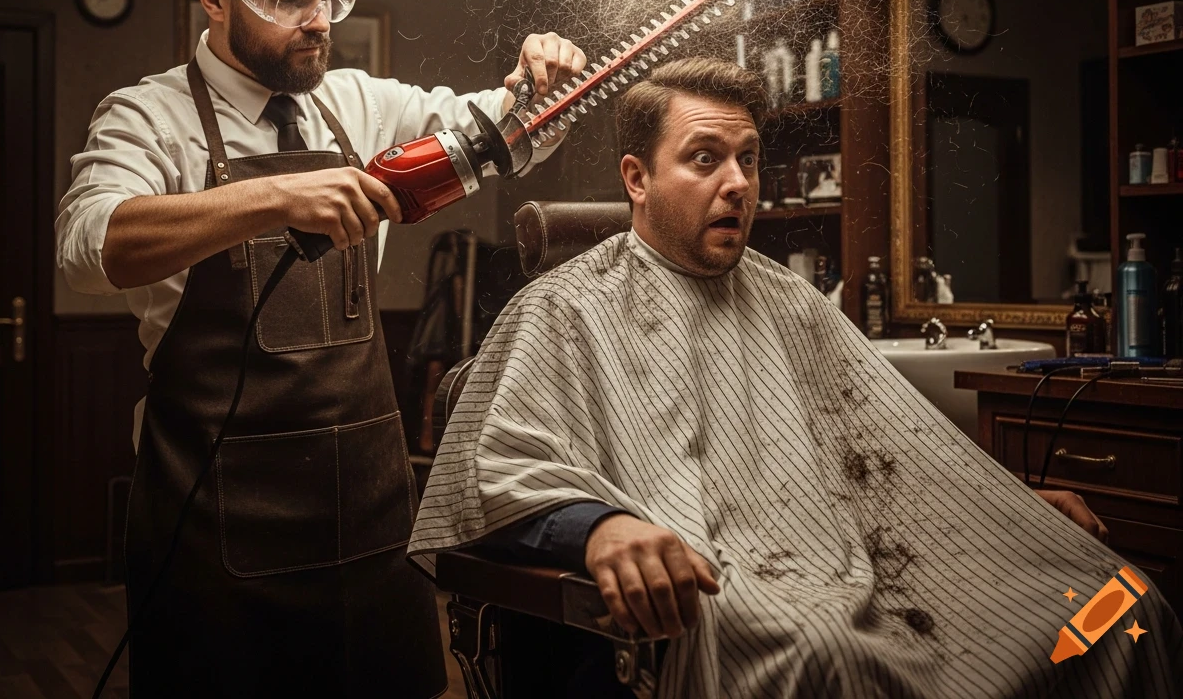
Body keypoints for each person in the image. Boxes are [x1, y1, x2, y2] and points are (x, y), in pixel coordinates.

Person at [409, 58, 1182, 698]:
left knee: (1114, 603)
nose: (740, 182)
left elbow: (879, 455)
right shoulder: (566, 308)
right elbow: (497, 471)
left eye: (749, 158)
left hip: (858, 563)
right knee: (825, 653)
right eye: (706, 158)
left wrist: (999, 510)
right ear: (637, 178)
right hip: (737, 592)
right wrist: (598, 527)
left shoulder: (786, 297)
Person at [55, 0, 585, 697]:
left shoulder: (359, 102)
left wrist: (541, 82)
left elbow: (501, 131)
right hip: (215, 509)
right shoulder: (146, 116)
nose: (318, 20)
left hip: (368, 500)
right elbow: (88, 250)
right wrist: (270, 197)